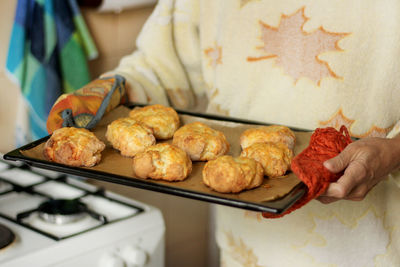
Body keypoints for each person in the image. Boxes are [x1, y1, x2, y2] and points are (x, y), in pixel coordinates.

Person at [49, 0, 400, 266]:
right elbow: (161, 65)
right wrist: (110, 92)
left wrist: (395, 150)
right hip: (247, 245)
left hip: (374, 246)